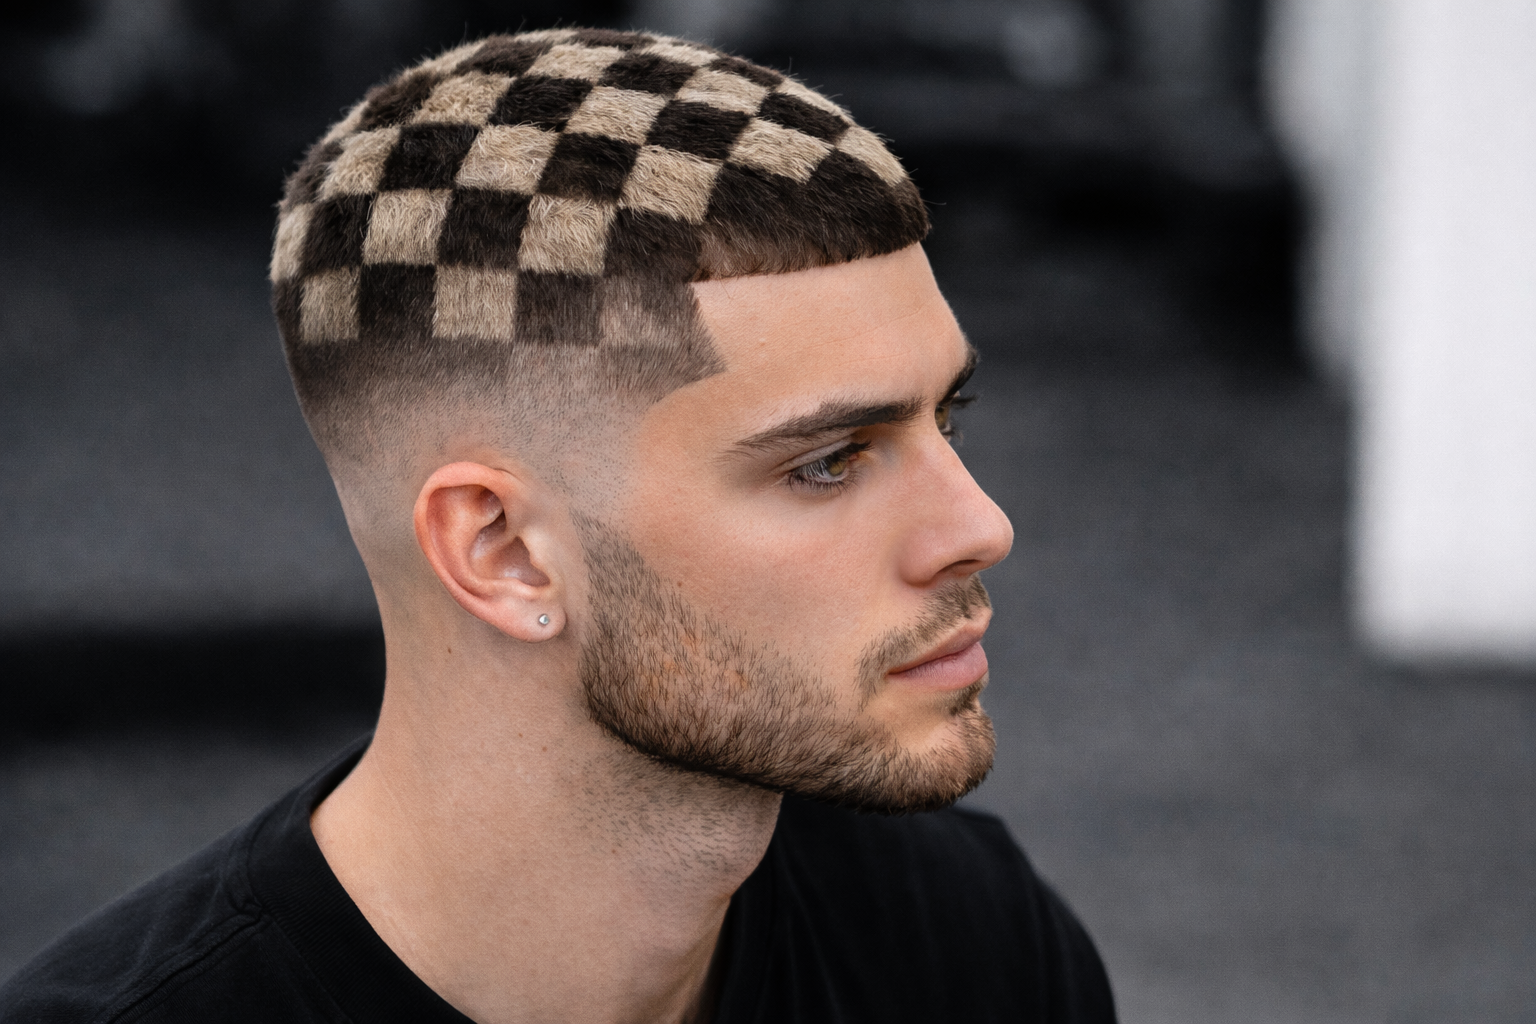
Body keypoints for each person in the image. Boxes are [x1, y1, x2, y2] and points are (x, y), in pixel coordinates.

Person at [0, 28, 1115, 1024]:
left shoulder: (958, 934)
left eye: (946, 418)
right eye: (828, 461)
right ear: (503, 549)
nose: (980, 526)